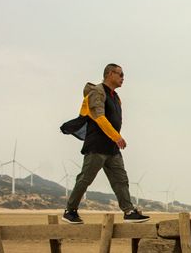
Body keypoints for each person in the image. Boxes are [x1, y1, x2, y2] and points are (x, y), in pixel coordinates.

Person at [62, 63, 149, 224]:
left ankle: (128, 211)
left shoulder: (116, 97)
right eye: (120, 74)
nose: (123, 78)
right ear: (110, 74)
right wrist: (117, 136)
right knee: (85, 178)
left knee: (121, 179)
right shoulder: (97, 92)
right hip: (97, 145)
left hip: (112, 147)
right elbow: (99, 117)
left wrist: (115, 139)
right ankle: (70, 210)